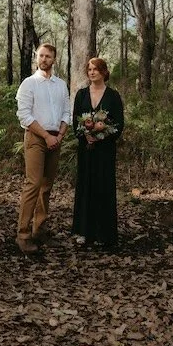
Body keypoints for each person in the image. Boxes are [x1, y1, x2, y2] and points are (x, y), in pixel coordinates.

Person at [16, 43, 71, 254]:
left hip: (56, 138)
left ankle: (40, 231)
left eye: (48, 56)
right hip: (36, 138)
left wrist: (60, 135)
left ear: (54, 59)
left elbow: (66, 112)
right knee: (33, 184)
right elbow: (24, 115)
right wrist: (46, 136)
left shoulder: (61, 85)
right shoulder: (29, 84)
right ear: (36, 57)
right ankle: (23, 235)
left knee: (47, 186)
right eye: (41, 55)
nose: (44, 59)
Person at [72, 57, 124, 249]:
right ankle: (84, 232)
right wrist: (86, 135)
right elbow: (76, 121)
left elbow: (118, 124)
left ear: (104, 72)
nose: (92, 72)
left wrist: (102, 134)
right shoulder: (81, 95)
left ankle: (104, 233)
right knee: (85, 187)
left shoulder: (113, 96)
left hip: (105, 151)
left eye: (96, 69)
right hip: (86, 150)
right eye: (89, 69)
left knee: (104, 188)